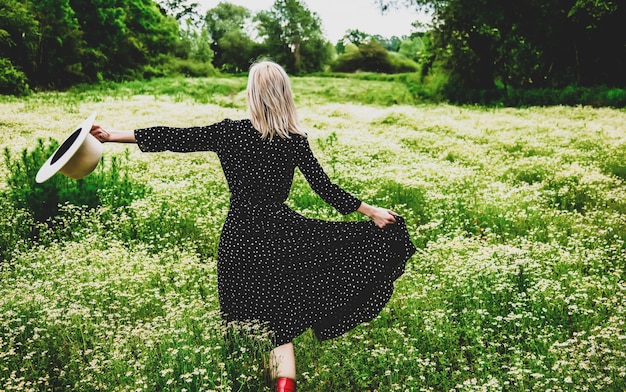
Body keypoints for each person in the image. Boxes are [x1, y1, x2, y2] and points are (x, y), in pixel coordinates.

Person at [90, 60, 416, 392]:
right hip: (280, 234)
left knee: (248, 318)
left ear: (251, 94)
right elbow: (324, 188)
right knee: (278, 323)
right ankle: (281, 384)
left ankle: (256, 375)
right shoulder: (293, 139)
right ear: (285, 95)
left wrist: (112, 135)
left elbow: (176, 138)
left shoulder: (229, 132)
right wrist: (370, 211)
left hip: (239, 236)